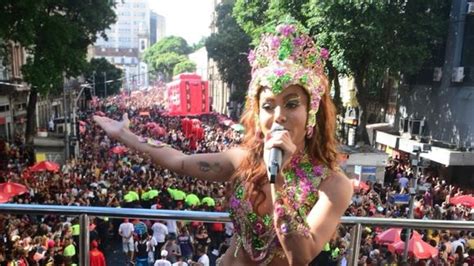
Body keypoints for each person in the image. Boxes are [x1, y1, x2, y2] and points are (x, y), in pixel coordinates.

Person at [94, 17, 352, 265]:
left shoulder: (332, 184)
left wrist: (278, 181)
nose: (279, 116)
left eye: (292, 104)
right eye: (268, 105)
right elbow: (180, 161)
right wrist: (123, 135)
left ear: (311, 112)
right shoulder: (244, 161)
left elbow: (300, 256)